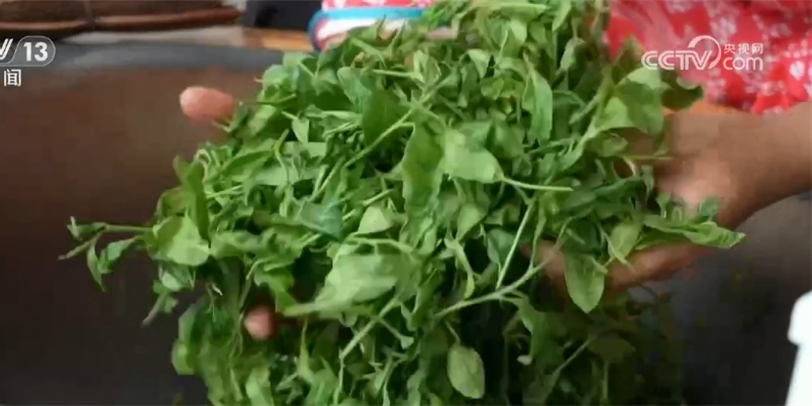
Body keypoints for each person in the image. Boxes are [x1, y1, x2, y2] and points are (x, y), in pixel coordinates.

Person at [178, 1, 811, 340]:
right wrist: (384, 64)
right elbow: (386, 36)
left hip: (763, 130)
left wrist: (777, 147)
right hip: (536, 98)